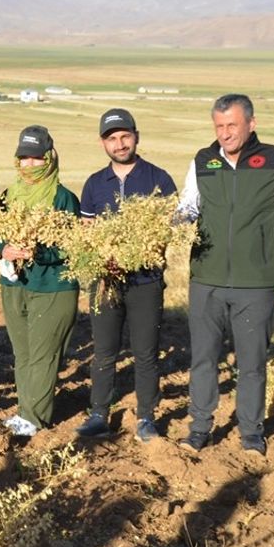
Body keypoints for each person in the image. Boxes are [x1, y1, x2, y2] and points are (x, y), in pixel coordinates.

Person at [176, 94, 274, 456]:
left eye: (232, 125)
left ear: (251, 123)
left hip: (256, 280)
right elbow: (189, 205)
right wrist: (166, 221)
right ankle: (200, 427)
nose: (225, 133)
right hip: (206, 277)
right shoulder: (203, 160)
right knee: (203, 357)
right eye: (219, 126)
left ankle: (251, 432)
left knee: (252, 362)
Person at [74, 110, 177, 442]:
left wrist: (134, 257)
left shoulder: (159, 179)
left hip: (145, 282)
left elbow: (164, 234)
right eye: (112, 138)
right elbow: (87, 233)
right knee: (104, 351)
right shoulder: (93, 184)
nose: (119, 144)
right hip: (105, 281)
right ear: (103, 142)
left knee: (146, 352)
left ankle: (146, 418)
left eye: (124, 136)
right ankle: (99, 414)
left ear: (136, 136)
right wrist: (104, 261)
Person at [0, 127, 81, 438]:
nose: (29, 165)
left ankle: (34, 418)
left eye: (36, 158)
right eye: (24, 158)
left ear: (49, 158)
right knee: (24, 354)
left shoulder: (63, 198)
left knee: (44, 356)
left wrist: (37, 251)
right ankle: (24, 411)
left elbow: (71, 245)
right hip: (15, 285)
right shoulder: (9, 196)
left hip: (53, 287)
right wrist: (3, 248)